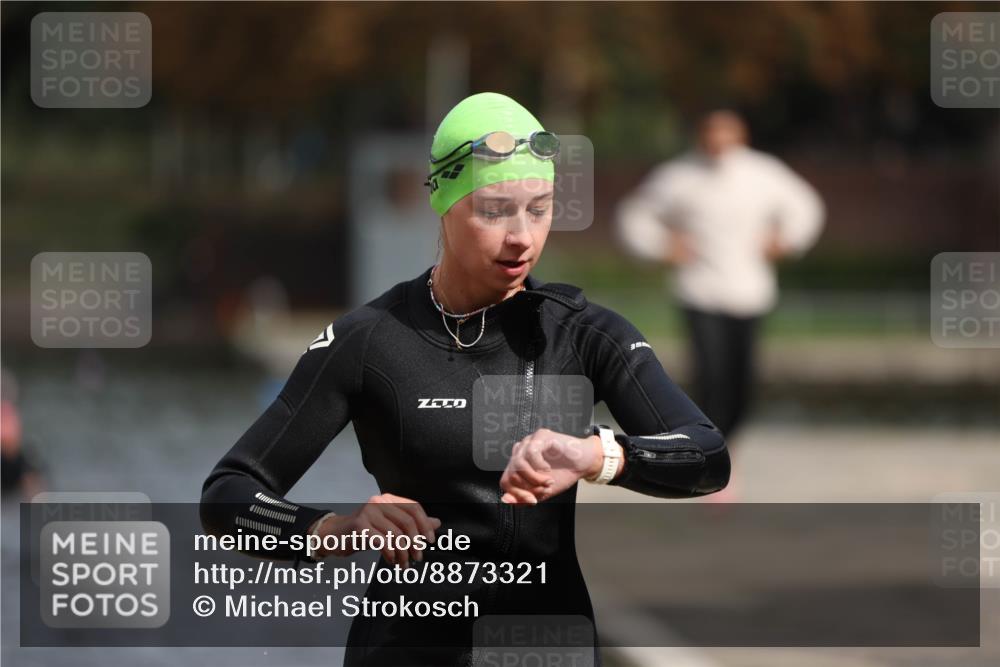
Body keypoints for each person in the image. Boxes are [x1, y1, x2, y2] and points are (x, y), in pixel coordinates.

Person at [201, 92, 730, 666]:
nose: (522, 236)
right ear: (443, 203)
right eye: (494, 211)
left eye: (539, 209)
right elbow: (229, 492)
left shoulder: (581, 336)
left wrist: (597, 455)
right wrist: (333, 528)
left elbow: (706, 456)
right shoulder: (370, 340)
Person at [615, 110, 825, 450]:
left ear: (741, 135)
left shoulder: (764, 173)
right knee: (710, 374)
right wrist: (662, 247)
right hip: (700, 291)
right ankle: (710, 444)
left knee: (741, 378)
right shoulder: (678, 175)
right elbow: (635, 216)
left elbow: (806, 207)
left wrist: (785, 241)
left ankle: (730, 441)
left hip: (749, 291)